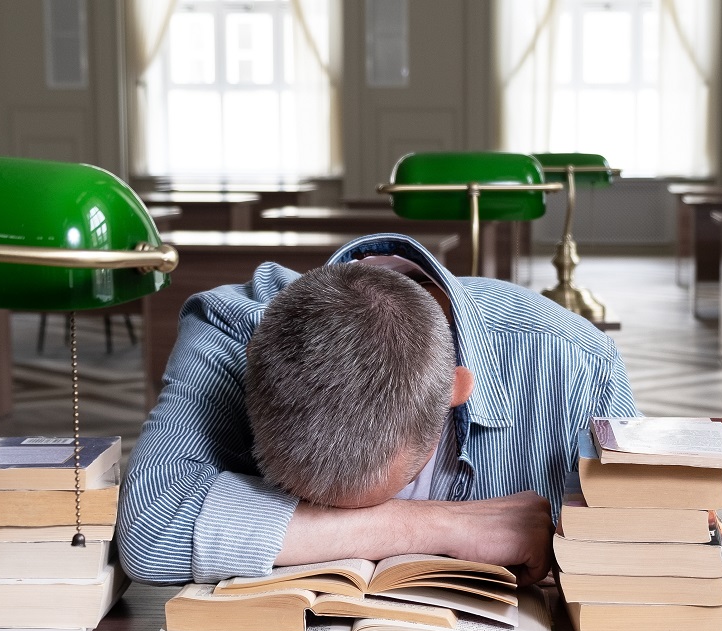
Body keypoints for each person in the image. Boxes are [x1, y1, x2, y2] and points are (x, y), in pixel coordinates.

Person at [118, 233, 640, 587]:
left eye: (366, 502)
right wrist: (436, 526)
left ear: (454, 392)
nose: (344, 520)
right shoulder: (232, 330)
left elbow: (672, 575)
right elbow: (147, 526)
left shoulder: (576, 363)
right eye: (313, 505)